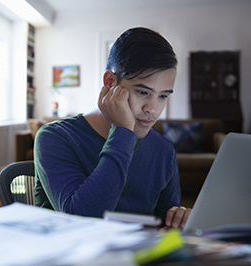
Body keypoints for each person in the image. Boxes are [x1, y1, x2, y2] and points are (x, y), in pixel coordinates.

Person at [34, 27, 191, 229]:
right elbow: (82, 218)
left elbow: (164, 227)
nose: (152, 109)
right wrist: (123, 130)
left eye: (163, 96)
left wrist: (179, 219)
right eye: (143, 92)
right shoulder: (55, 137)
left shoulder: (163, 150)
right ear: (110, 82)